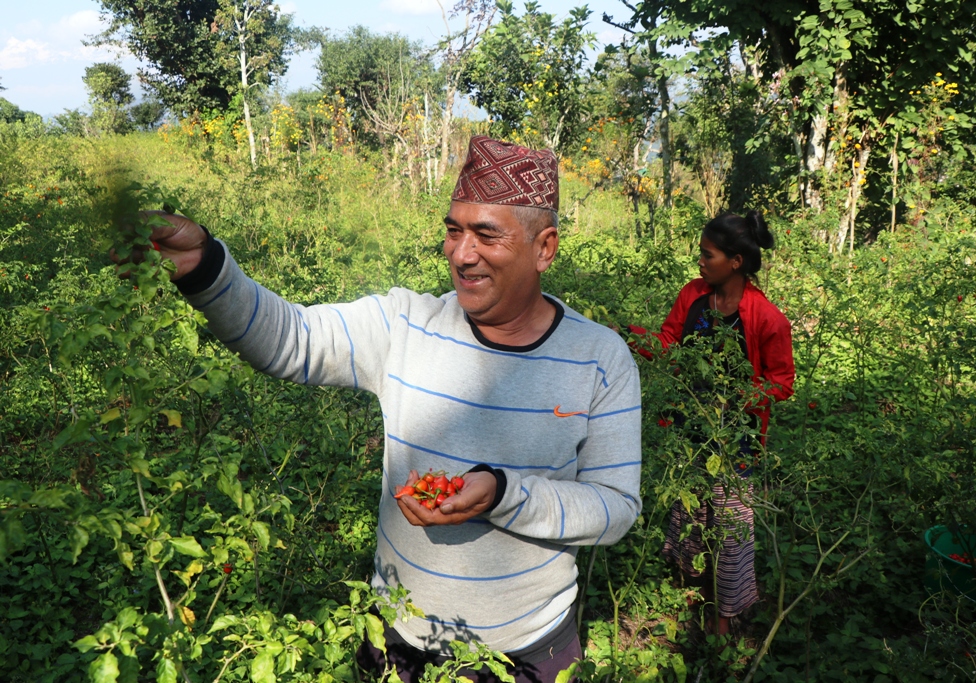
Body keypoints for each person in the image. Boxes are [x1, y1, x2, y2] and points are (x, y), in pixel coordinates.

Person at [119, 135, 642, 682]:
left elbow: (615, 507)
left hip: (529, 652)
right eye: (453, 230)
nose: (461, 254)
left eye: (486, 235)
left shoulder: (599, 358)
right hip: (397, 640)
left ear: (545, 248)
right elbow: (289, 338)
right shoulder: (405, 325)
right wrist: (206, 267)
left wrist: (505, 493)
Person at [626, 211, 793, 637]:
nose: (700, 261)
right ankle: (692, 591)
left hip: (736, 439)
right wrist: (628, 335)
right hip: (691, 431)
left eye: (708, 254)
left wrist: (742, 399)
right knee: (690, 513)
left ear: (735, 261)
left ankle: (726, 617)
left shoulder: (766, 318)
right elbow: (668, 344)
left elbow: (781, 381)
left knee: (732, 525)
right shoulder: (693, 296)